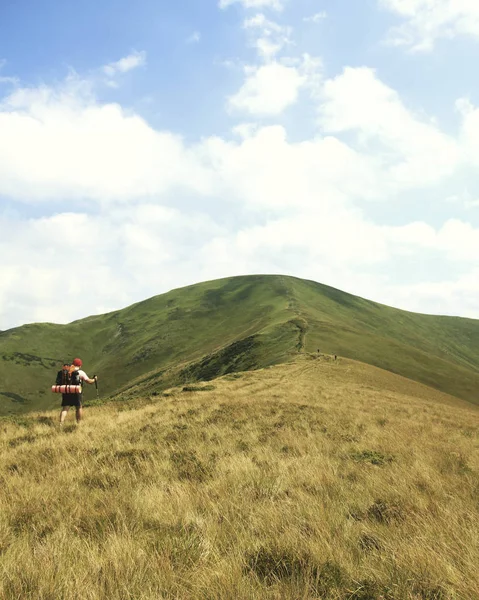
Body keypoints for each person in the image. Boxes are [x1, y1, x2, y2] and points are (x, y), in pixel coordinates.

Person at [59, 358, 97, 426]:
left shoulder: (67, 371)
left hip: (67, 390)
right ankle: (78, 423)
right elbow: (88, 381)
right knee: (78, 407)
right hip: (76, 391)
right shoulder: (81, 372)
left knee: (65, 408)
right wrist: (94, 379)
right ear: (80, 365)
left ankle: (61, 423)